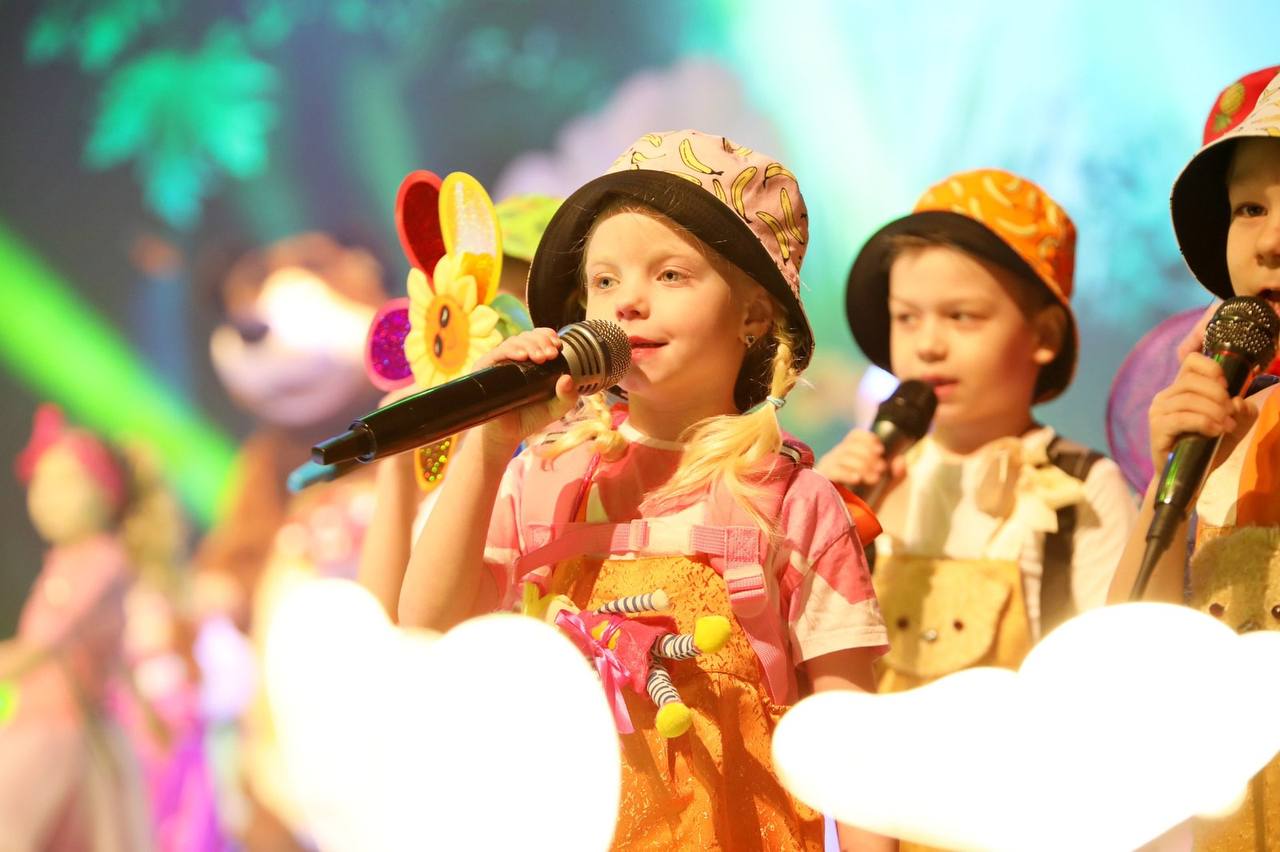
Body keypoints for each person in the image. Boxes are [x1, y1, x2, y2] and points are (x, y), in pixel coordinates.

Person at [398, 130, 890, 850]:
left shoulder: (791, 498)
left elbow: (849, 739)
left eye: (670, 275)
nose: (627, 302)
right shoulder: (548, 475)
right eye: (604, 282)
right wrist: (491, 443)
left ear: (754, 315)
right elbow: (428, 623)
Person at [820, 169, 1135, 697]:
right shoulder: (870, 474)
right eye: (906, 318)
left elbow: (1113, 664)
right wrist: (823, 519)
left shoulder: (1083, 486)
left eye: (961, 316)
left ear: (1044, 334)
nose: (928, 345)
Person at [1109, 68, 1280, 851]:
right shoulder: (1225, 418)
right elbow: (1129, 667)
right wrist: (1167, 485)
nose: (1270, 241)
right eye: (1250, 209)